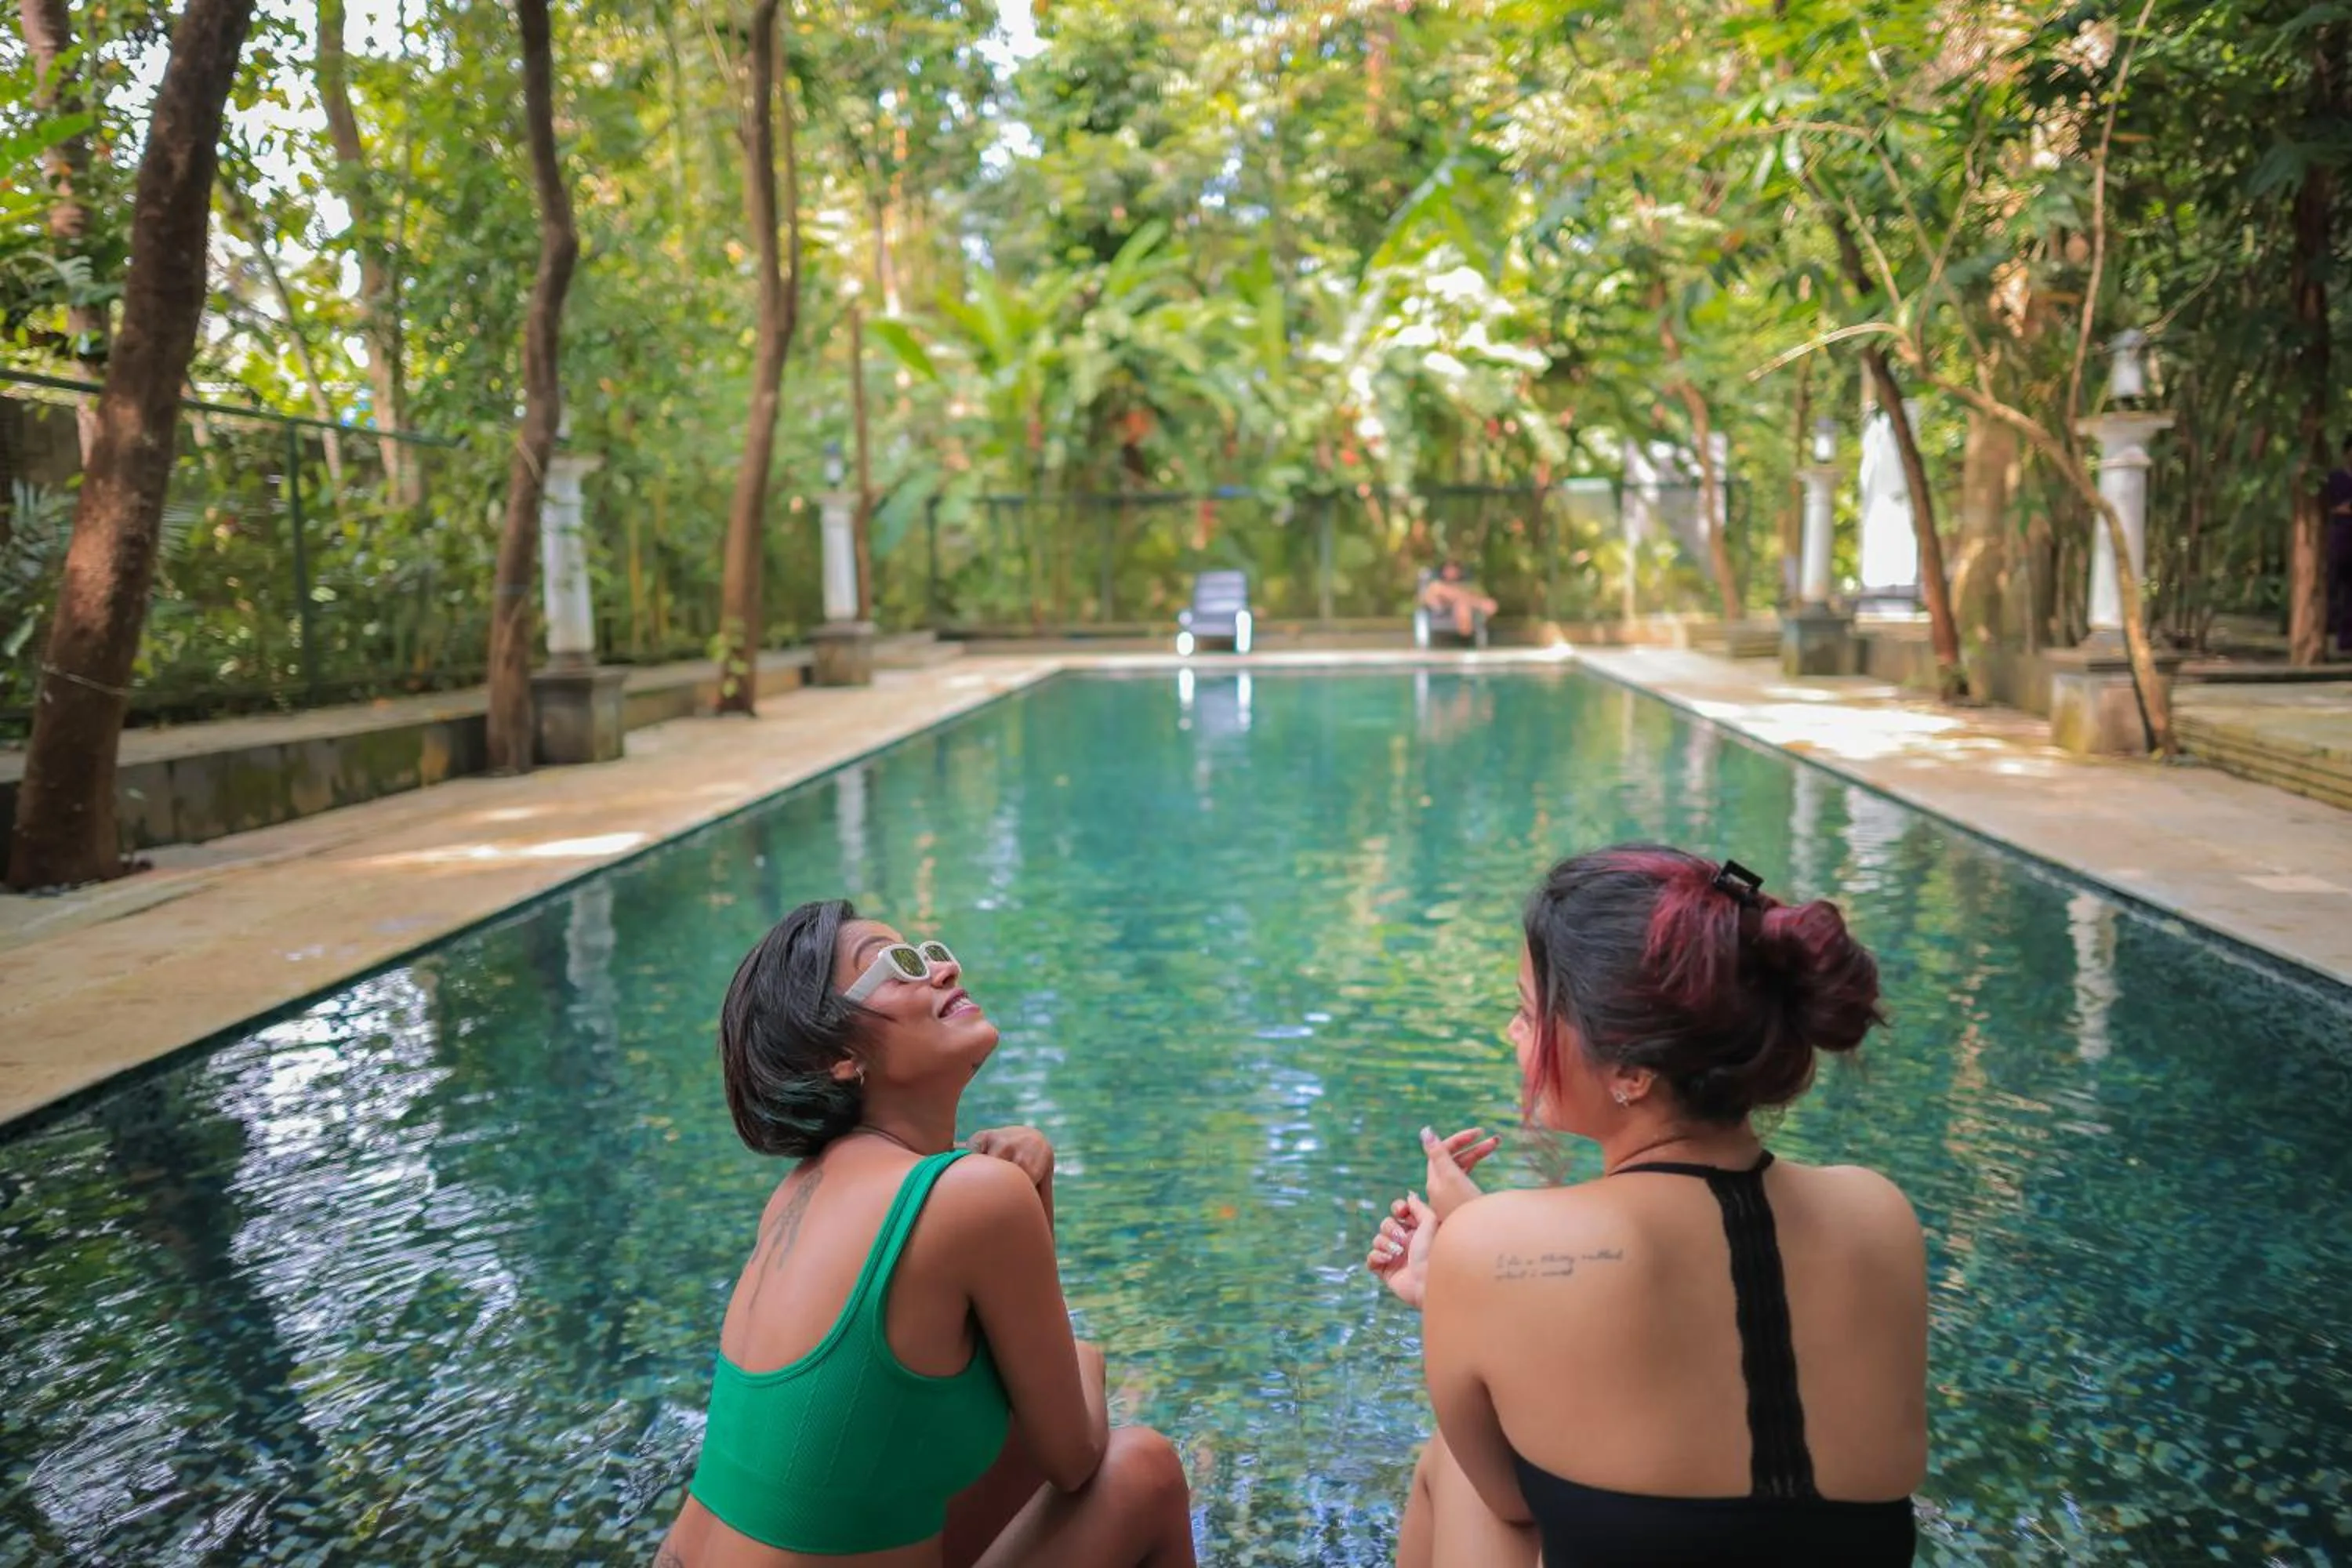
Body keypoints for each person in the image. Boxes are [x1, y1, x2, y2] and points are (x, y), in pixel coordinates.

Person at [1364, 847, 1926, 1567]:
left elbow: (1513, 1504)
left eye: (1530, 1014)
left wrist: (1465, 1283)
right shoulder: (1878, 1213)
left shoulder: (1490, 1243)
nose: (1514, 1034)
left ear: (1631, 1069)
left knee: (1456, 1466)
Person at [655, 901, 1196, 1568]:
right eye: (897, 965)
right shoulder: (971, 1195)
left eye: (931, 952)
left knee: (1007, 1428)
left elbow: (1010, 1399)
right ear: (839, 1056)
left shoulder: (798, 1191)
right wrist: (1089, 1357)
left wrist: (1033, 1193)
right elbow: (1075, 1458)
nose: (943, 969)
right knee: (1143, 1467)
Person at [1419, 560, 1497, 640]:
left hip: (1466, 609)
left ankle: (1466, 634)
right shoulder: (1436, 585)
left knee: (1463, 604)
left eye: (1454, 569)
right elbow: (1426, 599)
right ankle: (1475, 606)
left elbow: (1487, 601)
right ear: (1443, 571)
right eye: (1448, 569)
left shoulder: (1469, 584)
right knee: (1442, 590)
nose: (1451, 572)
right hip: (1442, 610)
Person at [2326, 434, 2352, 659]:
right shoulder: (2334, 478)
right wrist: (2341, 510)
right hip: (2341, 540)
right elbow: (2326, 508)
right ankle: (2340, 637)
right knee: (2338, 589)